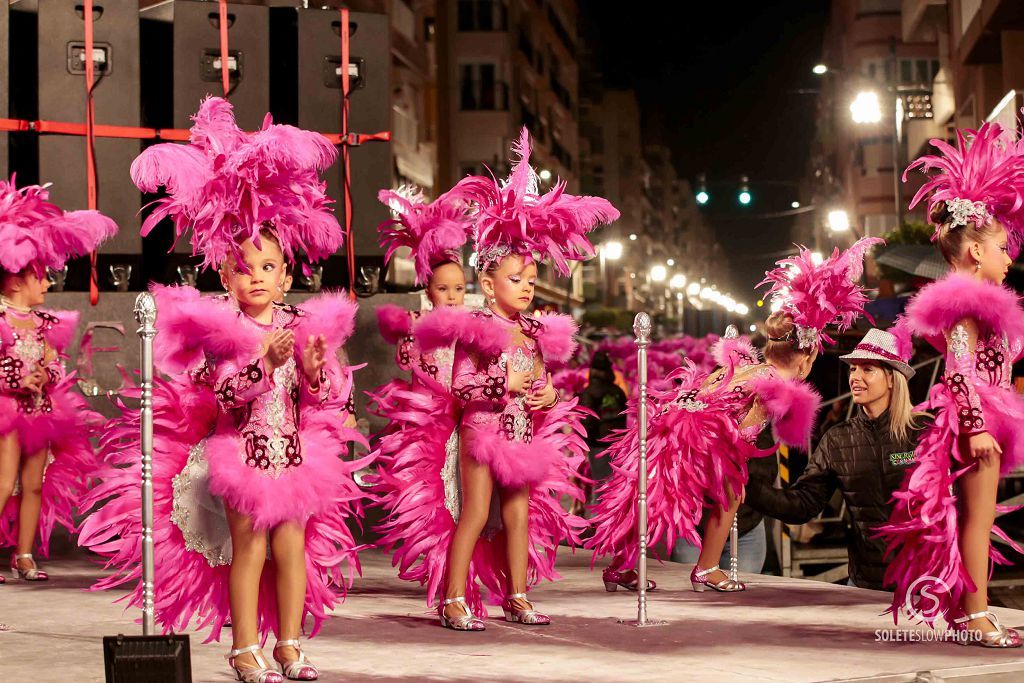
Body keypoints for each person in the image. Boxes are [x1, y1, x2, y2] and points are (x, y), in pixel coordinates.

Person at [78, 97, 369, 682]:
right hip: (240, 455)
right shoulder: (223, 330)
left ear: (288, 274)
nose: (256, 276)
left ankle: (288, 643)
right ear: (225, 273)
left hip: (294, 457)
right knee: (250, 551)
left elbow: (327, 400)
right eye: (244, 267)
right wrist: (264, 363)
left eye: (268, 267)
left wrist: (313, 368)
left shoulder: (299, 325)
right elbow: (222, 392)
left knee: (292, 551)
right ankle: (244, 647)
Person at [399, 128, 618, 630]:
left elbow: (540, 380)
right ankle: (453, 598)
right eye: (515, 280)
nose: (525, 288)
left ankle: (517, 595)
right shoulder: (477, 327)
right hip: (481, 431)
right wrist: (504, 389)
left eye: (531, 280)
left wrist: (545, 393)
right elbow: (461, 387)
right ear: (487, 283)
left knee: (518, 514)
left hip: (521, 431)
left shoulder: (533, 330)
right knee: (476, 513)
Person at [589, 240, 880, 593]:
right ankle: (707, 568)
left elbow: (702, 392)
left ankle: (620, 567)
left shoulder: (746, 366)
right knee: (732, 483)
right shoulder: (773, 384)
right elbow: (740, 437)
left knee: (653, 500)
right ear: (805, 358)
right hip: (691, 442)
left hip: (665, 431)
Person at [878, 120, 1024, 647]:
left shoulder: (986, 305)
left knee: (975, 519)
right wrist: (978, 425)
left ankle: (971, 611)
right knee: (977, 522)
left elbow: (991, 361)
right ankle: (975, 614)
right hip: (977, 423)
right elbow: (960, 370)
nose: (1011, 258)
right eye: (1004, 249)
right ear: (975, 254)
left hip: (988, 417)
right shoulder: (966, 304)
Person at [744, 328, 928, 589]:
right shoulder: (838, 439)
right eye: (853, 369)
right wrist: (747, 486)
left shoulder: (925, 432)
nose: (855, 377)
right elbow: (804, 504)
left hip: (926, 582)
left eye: (867, 369)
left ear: (891, 378)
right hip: (866, 584)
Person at [0, 177, 116, 584]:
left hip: (40, 411)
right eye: (41, 276)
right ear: (15, 280)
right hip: (7, 410)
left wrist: (45, 372)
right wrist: (17, 376)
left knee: (34, 484)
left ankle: (24, 553)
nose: (48, 282)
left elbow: (57, 366)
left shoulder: (46, 322)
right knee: (2, 480)